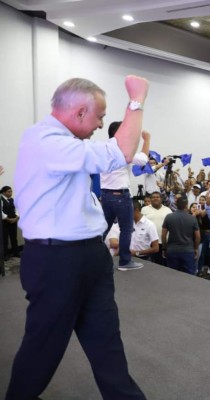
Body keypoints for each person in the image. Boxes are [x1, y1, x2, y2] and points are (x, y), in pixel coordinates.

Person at [7, 76, 148, 399]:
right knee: (43, 347)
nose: (101, 124)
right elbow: (123, 150)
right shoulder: (44, 140)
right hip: (57, 260)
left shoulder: (66, 143)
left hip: (89, 255)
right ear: (80, 112)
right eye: (100, 116)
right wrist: (137, 99)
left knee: (106, 342)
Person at [100, 122, 150, 270]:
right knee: (126, 229)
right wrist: (146, 140)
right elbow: (142, 160)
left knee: (103, 228)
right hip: (121, 195)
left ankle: (89, 257)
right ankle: (125, 261)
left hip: (105, 195)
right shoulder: (122, 149)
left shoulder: (103, 149)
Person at [106, 200, 159, 265]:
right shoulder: (128, 223)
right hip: (127, 258)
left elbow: (156, 248)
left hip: (143, 259)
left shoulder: (149, 225)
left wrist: (137, 253)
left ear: (136, 210)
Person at [162, 196, 200, 275]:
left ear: (176, 204)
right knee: (189, 276)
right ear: (186, 205)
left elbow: (163, 235)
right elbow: (197, 236)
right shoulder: (192, 218)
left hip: (172, 250)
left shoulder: (169, 217)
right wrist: (196, 248)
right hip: (188, 251)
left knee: (172, 275)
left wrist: (164, 248)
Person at [141, 191, 172, 265]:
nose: (155, 198)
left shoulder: (168, 210)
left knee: (163, 265)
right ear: (150, 199)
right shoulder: (144, 209)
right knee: (150, 265)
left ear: (161, 199)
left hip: (164, 243)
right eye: (153, 197)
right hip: (149, 243)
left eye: (157, 197)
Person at [1, 186, 20, 260]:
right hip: (4, 222)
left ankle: (16, 252)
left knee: (14, 238)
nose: (11, 193)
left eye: (11, 191)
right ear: (4, 192)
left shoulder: (12, 200)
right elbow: (1, 211)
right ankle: (5, 255)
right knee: (4, 239)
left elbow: (17, 209)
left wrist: (16, 217)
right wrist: (7, 219)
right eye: (9, 191)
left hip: (13, 221)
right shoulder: (1, 200)